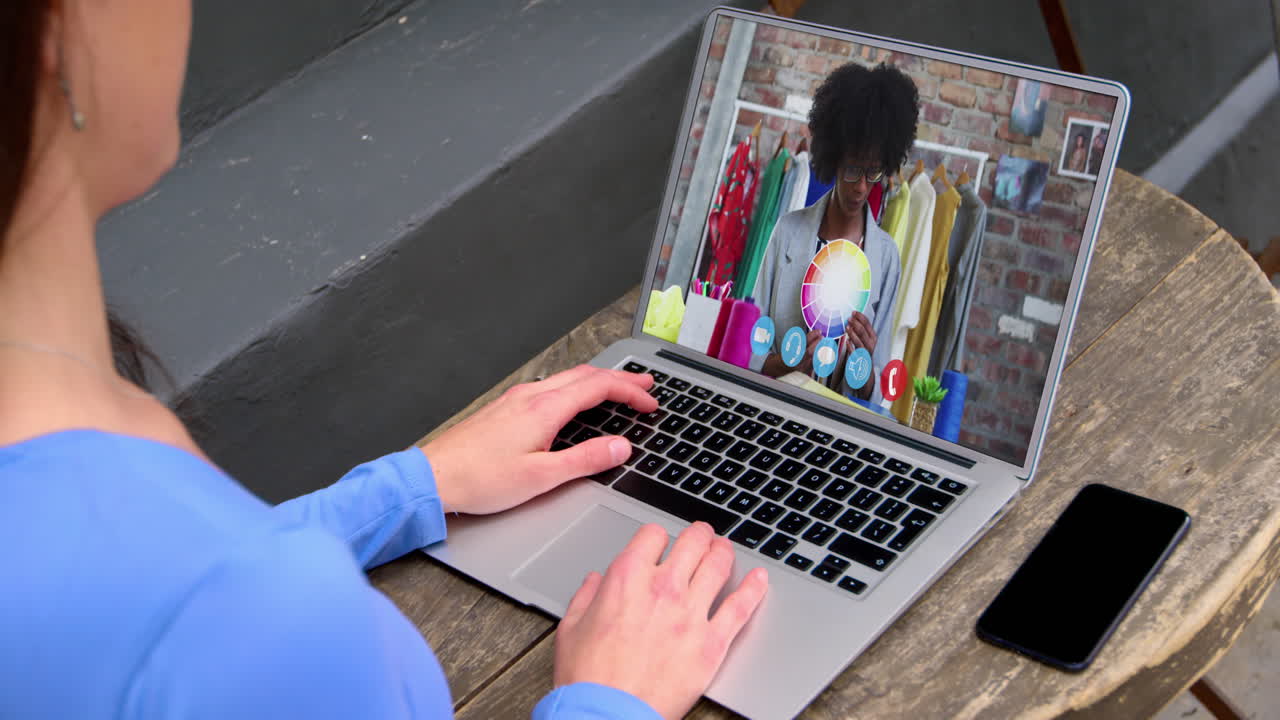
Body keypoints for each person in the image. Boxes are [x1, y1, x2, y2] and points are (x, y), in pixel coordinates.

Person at [0, 2, 768, 719]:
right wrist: (611, 701)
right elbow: (207, 618)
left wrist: (407, 489)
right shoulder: (264, 626)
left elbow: (145, 597)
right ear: (57, 33)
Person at [751, 62, 916, 405]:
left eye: (873, 173)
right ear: (834, 158)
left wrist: (866, 372)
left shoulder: (885, 257)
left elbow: (877, 392)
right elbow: (749, 349)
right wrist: (785, 364)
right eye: (853, 169)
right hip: (773, 407)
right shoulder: (787, 232)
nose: (861, 187)